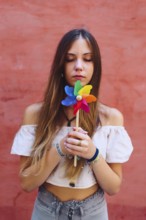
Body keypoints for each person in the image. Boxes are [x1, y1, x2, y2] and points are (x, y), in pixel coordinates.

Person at [11, 28, 133, 220]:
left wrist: (92, 153)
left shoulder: (111, 119)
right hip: (47, 211)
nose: (78, 66)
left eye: (87, 58)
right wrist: (60, 149)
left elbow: (113, 187)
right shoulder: (35, 115)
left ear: (96, 66)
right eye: (70, 59)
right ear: (60, 65)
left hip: (93, 212)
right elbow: (26, 184)